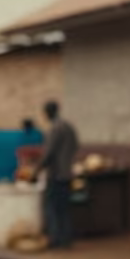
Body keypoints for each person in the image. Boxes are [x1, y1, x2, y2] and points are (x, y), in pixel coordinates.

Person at [34, 100, 79, 249]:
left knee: (52, 207)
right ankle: (66, 238)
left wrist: (36, 170)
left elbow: (48, 153)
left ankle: (56, 238)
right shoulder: (69, 127)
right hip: (67, 173)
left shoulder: (55, 129)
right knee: (64, 208)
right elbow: (75, 146)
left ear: (48, 113)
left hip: (56, 174)